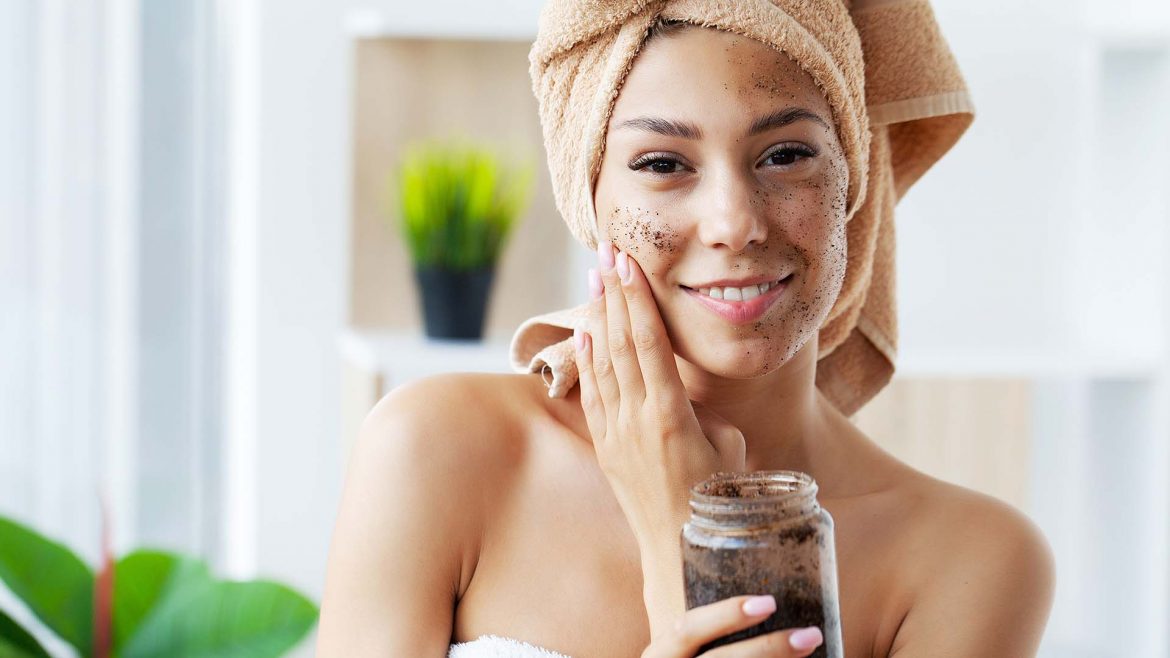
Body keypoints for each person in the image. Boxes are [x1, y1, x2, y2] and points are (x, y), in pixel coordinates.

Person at [316, 5, 1055, 657]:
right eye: (664, 163)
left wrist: (688, 539)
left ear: (852, 178)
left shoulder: (970, 561)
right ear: (590, 198)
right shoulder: (441, 452)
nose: (734, 222)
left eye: (787, 154)